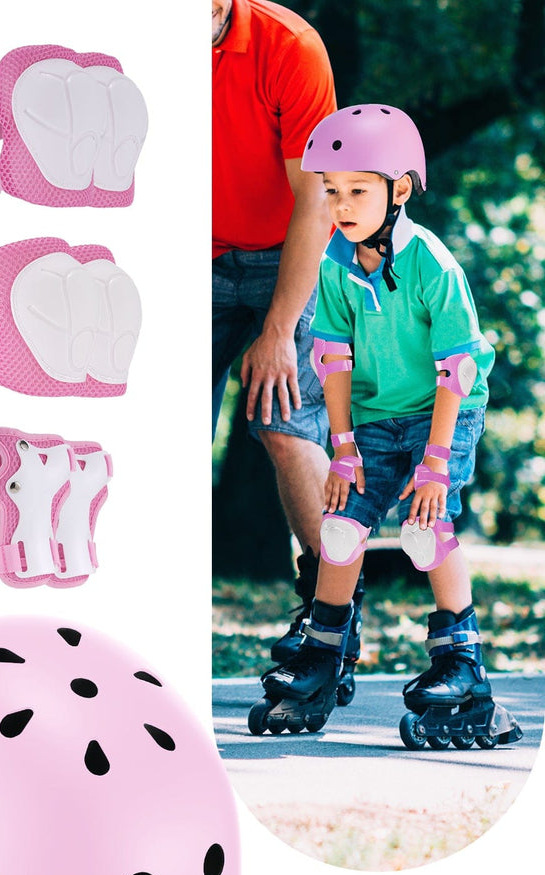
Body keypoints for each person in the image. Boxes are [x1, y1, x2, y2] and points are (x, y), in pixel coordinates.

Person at [253, 103, 519, 748]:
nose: (341, 205)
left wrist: (433, 466)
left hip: (443, 413)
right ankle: (323, 653)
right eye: (331, 191)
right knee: (340, 528)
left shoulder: (432, 263)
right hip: (374, 415)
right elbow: (334, 360)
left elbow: (457, 370)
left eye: (358, 190)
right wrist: (341, 450)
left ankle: (463, 667)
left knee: (425, 531)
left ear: (399, 189)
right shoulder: (337, 262)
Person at [212, 0, 363, 674]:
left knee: (283, 420)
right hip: (198, 255)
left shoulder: (290, 46)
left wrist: (276, 332)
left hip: (290, 251)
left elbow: (317, 198)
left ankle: (331, 614)